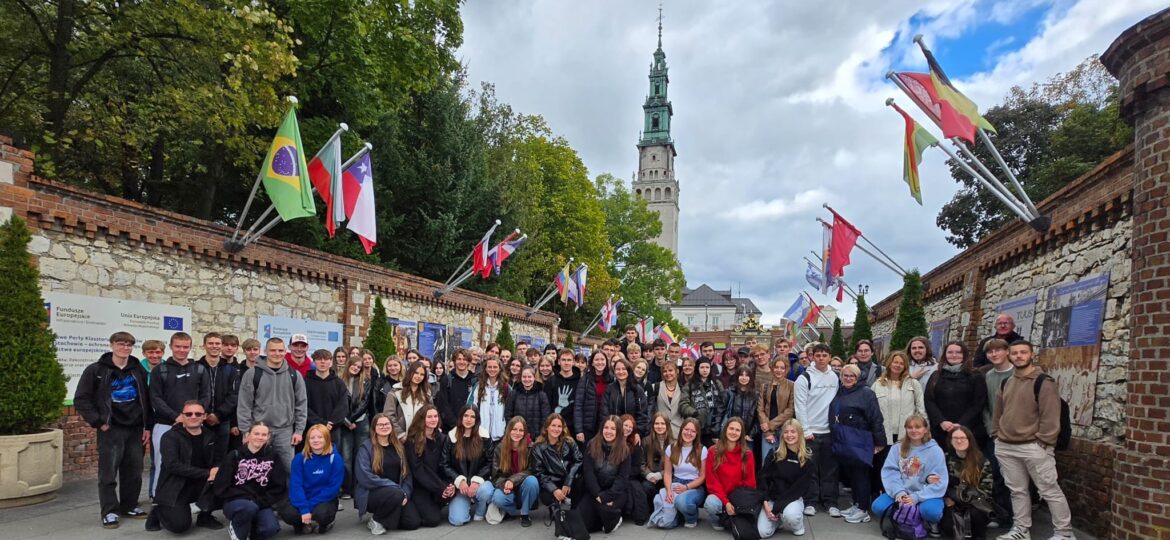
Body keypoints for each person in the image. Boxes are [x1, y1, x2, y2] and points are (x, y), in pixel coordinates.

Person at [991, 340, 1074, 540]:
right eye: (1015, 353)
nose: (1019, 356)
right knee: (1017, 491)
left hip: (1033, 446)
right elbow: (998, 412)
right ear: (1009, 356)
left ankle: (1064, 533)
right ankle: (1021, 529)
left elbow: (1051, 415)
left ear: (1031, 355)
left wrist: (1044, 441)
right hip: (1006, 445)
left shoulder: (1043, 382)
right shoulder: (1007, 382)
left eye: (1023, 352)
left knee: (1049, 491)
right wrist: (996, 434)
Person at [74, 331, 153, 528]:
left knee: (134, 471)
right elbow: (81, 399)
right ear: (112, 345)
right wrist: (98, 421)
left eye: (128, 344)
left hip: (135, 428)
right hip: (111, 428)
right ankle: (109, 511)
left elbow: (147, 398)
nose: (124, 348)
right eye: (121, 343)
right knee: (108, 472)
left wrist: (147, 426)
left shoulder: (137, 370)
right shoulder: (97, 370)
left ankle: (129, 505)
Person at [149, 331, 210, 499]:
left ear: (190, 348)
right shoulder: (160, 370)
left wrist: (194, 416)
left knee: (193, 463)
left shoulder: (199, 369)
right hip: (165, 424)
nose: (181, 350)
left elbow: (206, 396)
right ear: (171, 347)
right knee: (162, 464)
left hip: (194, 426)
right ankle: (158, 499)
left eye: (185, 347)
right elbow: (155, 398)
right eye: (178, 346)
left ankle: (189, 499)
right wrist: (177, 417)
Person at [146, 400, 221, 533]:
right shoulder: (170, 437)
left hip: (201, 483)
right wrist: (208, 472)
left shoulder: (211, 436)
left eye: (198, 414)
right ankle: (158, 510)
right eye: (189, 414)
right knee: (179, 526)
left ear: (204, 416)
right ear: (182, 416)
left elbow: (217, 459)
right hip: (175, 487)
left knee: (225, 482)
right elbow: (173, 466)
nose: (193, 416)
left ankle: (205, 516)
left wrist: (216, 469)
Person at [236, 337, 309, 471]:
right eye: (273, 350)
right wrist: (246, 431)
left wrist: (299, 431)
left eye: (280, 350)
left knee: (288, 471)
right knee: (256, 470)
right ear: (265, 351)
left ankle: (287, 493)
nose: (277, 353)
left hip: (285, 432)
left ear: (285, 351)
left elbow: (301, 405)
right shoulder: (252, 374)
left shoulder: (295, 375)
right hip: (259, 431)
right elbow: (244, 405)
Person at [872, 414, 948, 533]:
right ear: (906, 429)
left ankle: (925, 520)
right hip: (902, 492)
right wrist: (899, 492)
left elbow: (939, 481)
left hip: (924, 495)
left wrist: (916, 497)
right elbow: (890, 472)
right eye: (910, 427)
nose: (913, 430)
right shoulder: (897, 448)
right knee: (878, 507)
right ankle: (903, 518)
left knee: (931, 511)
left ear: (925, 429)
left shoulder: (935, 450)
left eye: (918, 427)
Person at [830, 364, 886, 524]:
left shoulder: (866, 393)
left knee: (861, 475)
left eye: (851, 376)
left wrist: (879, 441)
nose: (848, 378)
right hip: (845, 439)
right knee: (853, 475)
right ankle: (856, 503)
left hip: (860, 439)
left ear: (858, 377)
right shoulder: (841, 391)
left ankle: (863, 509)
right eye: (845, 375)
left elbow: (876, 417)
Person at [214, 423, 287, 540]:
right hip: (236, 502)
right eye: (256, 433)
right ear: (248, 435)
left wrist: (262, 501)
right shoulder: (234, 455)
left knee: (270, 528)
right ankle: (238, 528)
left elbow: (279, 486)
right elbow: (221, 486)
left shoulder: (273, 456)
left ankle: (250, 528)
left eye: (264, 434)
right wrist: (246, 498)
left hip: (261, 502)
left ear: (268, 437)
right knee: (248, 508)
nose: (260, 437)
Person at [872, 351, 928, 501]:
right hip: (884, 435)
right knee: (884, 468)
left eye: (901, 363)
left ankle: (905, 500)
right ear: (889, 363)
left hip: (907, 435)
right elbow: (871, 411)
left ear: (905, 366)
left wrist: (924, 431)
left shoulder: (913, 384)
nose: (897, 365)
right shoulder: (878, 384)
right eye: (895, 362)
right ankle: (884, 498)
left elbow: (920, 408)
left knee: (906, 469)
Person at [793, 343, 840, 517]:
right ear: (812, 357)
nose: (821, 358)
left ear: (829, 357)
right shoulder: (804, 378)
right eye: (817, 355)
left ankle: (830, 502)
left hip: (830, 432)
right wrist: (805, 430)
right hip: (811, 432)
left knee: (830, 470)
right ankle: (810, 501)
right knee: (810, 469)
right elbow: (800, 406)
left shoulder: (836, 377)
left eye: (824, 355)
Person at [356, 412, 421, 534]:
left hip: (398, 493)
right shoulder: (366, 447)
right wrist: (394, 487)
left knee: (413, 522)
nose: (384, 427)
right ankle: (376, 520)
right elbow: (364, 477)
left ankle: (387, 517)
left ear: (391, 426)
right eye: (380, 425)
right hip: (373, 493)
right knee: (395, 494)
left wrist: (405, 493)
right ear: (374, 428)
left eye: (387, 424)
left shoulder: (398, 447)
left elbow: (407, 474)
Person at [278, 424, 343, 534]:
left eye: (320, 437)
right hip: (303, 496)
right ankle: (302, 523)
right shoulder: (299, 458)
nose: (316, 440)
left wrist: (308, 507)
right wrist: (303, 508)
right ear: (308, 440)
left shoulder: (335, 459)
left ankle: (324, 523)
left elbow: (332, 488)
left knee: (321, 514)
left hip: (323, 498)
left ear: (326, 438)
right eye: (312, 438)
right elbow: (295, 485)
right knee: (288, 513)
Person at [926, 341, 988, 449]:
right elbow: (929, 400)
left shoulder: (975, 376)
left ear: (964, 355)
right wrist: (941, 421)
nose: (954, 355)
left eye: (958, 352)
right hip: (941, 430)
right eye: (950, 352)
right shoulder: (936, 376)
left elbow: (979, 403)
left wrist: (961, 424)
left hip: (968, 430)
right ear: (945, 355)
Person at [757, 419, 813, 538]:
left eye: (793, 432)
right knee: (762, 533)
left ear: (799, 434)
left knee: (791, 515)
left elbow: (799, 489)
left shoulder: (806, 459)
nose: (789, 435)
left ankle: (798, 525)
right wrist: (766, 504)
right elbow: (763, 479)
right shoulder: (774, 455)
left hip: (792, 499)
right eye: (786, 432)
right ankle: (778, 521)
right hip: (772, 500)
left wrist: (777, 508)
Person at [441, 406, 495, 526]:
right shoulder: (451, 437)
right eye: (466, 416)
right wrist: (459, 481)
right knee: (457, 520)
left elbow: (490, 463)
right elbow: (444, 464)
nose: (469, 419)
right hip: (461, 487)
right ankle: (466, 504)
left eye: (472, 416)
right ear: (461, 417)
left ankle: (481, 510)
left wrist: (476, 481)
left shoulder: (485, 437)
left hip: (480, 484)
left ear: (477, 419)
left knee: (486, 491)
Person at [649, 418, 707, 528]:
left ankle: (692, 517)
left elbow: (703, 476)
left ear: (697, 434)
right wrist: (668, 490)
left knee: (682, 502)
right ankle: (679, 515)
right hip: (675, 483)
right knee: (669, 523)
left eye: (693, 431)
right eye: (686, 429)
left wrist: (686, 487)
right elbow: (667, 473)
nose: (689, 433)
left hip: (694, 486)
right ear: (681, 430)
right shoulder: (671, 448)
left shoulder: (702, 450)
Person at [981, 338, 1014, 525]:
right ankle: (1000, 515)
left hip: (1015, 435)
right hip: (994, 435)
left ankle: (1016, 517)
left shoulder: (1018, 373)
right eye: (990, 352)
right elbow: (985, 406)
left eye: (998, 350)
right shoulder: (988, 376)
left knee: (1015, 479)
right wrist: (990, 428)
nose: (994, 354)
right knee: (995, 475)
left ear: (1006, 351)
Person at [703, 417, 757, 531]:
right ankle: (718, 521)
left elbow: (750, 482)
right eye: (731, 428)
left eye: (737, 430)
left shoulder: (747, 454)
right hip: (720, 496)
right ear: (725, 430)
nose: (733, 432)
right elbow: (713, 482)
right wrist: (726, 502)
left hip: (738, 497)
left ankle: (733, 518)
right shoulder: (713, 451)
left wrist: (738, 502)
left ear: (741, 434)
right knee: (710, 504)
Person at [579, 415, 631, 534]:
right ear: (601, 429)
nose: (608, 431)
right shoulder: (592, 444)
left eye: (613, 429)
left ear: (618, 431)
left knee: (605, 509)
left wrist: (608, 496)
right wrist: (598, 494)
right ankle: (602, 519)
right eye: (606, 427)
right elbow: (588, 472)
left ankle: (615, 518)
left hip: (615, 493)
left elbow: (622, 478)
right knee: (583, 523)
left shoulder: (624, 450)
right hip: (594, 491)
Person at [405, 405, 454, 527]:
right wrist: (440, 487)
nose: (433, 419)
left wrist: (449, 485)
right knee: (433, 520)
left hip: (438, 484)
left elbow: (446, 464)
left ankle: (430, 507)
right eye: (429, 417)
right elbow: (418, 471)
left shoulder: (443, 438)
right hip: (420, 486)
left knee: (449, 494)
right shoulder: (412, 441)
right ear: (422, 419)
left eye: (436, 416)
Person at [487, 417, 540, 526]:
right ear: (509, 429)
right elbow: (496, 475)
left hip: (523, 487)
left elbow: (532, 470)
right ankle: (511, 512)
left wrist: (512, 480)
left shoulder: (531, 447)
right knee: (497, 498)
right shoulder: (500, 448)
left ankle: (525, 514)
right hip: (507, 487)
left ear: (525, 432)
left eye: (521, 430)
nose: (517, 433)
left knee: (532, 481)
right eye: (514, 429)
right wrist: (505, 485)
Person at [942, 426, 993, 538]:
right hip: (952, 500)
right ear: (950, 440)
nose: (959, 441)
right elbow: (941, 484)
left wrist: (966, 501)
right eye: (955, 438)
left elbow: (986, 489)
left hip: (975, 502)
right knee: (948, 526)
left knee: (976, 517)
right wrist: (947, 498)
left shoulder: (981, 460)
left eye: (963, 438)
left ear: (969, 440)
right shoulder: (944, 459)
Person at [532, 413, 583, 516]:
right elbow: (538, 472)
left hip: (568, 480)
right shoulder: (538, 447)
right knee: (546, 496)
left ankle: (574, 509)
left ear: (563, 428)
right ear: (547, 427)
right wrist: (554, 489)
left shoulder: (569, 442)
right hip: (552, 482)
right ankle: (555, 507)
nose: (556, 429)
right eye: (553, 425)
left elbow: (579, 460)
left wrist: (569, 480)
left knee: (582, 482)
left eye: (559, 426)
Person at [338, 355, 373, 499]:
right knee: (346, 456)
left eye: (359, 367)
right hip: (344, 422)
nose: (356, 368)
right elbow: (338, 402)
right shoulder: (340, 380)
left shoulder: (365, 381)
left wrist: (352, 419)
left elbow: (365, 403)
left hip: (361, 421)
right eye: (354, 365)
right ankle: (347, 488)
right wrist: (346, 421)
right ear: (348, 364)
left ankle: (359, 486)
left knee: (360, 456)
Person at [197, 332, 239, 453]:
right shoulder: (196, 367)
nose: (214, 346)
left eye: (217, 343)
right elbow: (194, 393)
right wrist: (206, 412)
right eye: (210, 343)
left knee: (221, 457)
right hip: (200, 419)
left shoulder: (231, 370)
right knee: (200, 455)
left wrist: (218, 415)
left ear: (221, 346)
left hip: (223, 420)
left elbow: (234, 395)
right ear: (204, 345)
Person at [304, 349, 349, 451]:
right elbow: (303, 406)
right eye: (319, 359)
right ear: (314, 362)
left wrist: (331, 423)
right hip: (312, 428)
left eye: (326, 359)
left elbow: (343, 406)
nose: (323, 362)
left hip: (333, 429)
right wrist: (321, 423)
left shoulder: (339, 383)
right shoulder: (306, 382)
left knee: (332, 457)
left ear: (331, 362)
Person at [680, 356, 725, 446]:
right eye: (702, 367)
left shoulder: (717, 383)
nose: (705, 370)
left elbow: (723, 403)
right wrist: (694, 413)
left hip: (714, 426)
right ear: (697, 369)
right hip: (697, 426)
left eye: (707, 367)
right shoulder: (690, 385)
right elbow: (683, 404)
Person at [758, 357, 796, 461]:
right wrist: (767, 431)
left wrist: (770, 425)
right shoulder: (764, 386)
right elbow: (760, 409)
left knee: (783, 463)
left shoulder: (792, 386)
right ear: (772, 368)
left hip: (785, 430)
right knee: (766, 462)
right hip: (767, 431)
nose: (779, 370)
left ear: (786, 369)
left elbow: (790, 410)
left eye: (782, 368)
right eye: (776, 367)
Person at [601, 358, 649, 436]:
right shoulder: (609, 388)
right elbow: (604, 412)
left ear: (628, 370)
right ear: (614, 371)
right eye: (617, 369)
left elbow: (642, 414)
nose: (621, 372)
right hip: (613, 432)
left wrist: (638, 433)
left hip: (631, 432)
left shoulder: (637, 389)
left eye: (624, 369)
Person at [384, 360, 431, 438]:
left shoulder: (427, 394)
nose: (419, 376)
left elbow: (431, 414)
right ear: (410, 373)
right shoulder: (395, 391)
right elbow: (388, 415)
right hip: (399, 437)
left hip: (420, 437)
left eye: (422, 374)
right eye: (416, 373)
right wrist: (400, 434)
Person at [574, 350, 612, 444]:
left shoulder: (612, 379)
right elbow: (578, 405)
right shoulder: (585, 380)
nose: (600, 362)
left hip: (606, 425)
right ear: (592, 363)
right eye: (597, 360)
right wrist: (579, 430)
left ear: (606, 362)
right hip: (588, 427)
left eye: (602, 359)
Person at [619, 414, 650, 525]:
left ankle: (640, 517)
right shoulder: (612, 439)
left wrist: (626, 476)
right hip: (614, 476)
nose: (627, 428)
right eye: (625, 425)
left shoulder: (635, 443)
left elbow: (636, 467)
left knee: (637, 490)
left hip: (630, 476)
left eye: (630, 427)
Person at [436, 348, 478, 431]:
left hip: (470, 428)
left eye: (464, 359)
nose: (461, 362)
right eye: (459, 359)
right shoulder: (447, 380)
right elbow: (443, 405)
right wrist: (456, 424)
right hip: (450, 428)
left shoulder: (475, 380)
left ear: (468, 361)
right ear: (454, 361)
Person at [505, 365, 551, 439]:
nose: (527, 379)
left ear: (534, 378)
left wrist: (540, 435)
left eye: (529, 377)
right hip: (517, 435)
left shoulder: (541, 395)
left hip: (536, 436)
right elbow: (508, 414)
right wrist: (513, 430)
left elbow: (545, 417)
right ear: (521, 377)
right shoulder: (514, 393)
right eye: (524, 377)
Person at [468, 356, 508, 441]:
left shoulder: (506, 387)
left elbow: (510, 410)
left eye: (495, 367)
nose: (492, 369)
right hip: (480, 434)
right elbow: (470, 406)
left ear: (500, 369)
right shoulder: (478, 386)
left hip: (500, 434)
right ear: (485, 369)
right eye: (489, 367)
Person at [641, 412, 673, 514]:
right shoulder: (646, 441)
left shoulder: (674, 443)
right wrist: (649, 475)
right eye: (657, 423)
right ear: (653, 425)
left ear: (667, 425)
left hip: (666, 478)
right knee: (646, 487)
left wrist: (660, 475)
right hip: (650, 478)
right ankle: (650, 510)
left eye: (663, 424)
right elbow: (641, 463)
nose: (659, 426)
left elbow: (675, 467)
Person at [545, 348, 580, 435]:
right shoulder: (551, 381)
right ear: (559, 361)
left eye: (569, 360)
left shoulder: (580, 381)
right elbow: (546, 405)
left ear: (573, 362)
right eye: (563, 360)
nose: (566, 363)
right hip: (555, 427)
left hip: (574, 427)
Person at [723, 366, 760, 444]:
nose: (744, 378)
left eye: (746, 375)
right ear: (737, 377)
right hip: (730, 435)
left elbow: (758, 418)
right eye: (741, 375)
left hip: (747, 438)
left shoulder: (755, 396)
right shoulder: (729, 392)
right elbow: (720, 413)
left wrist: (751, 434)